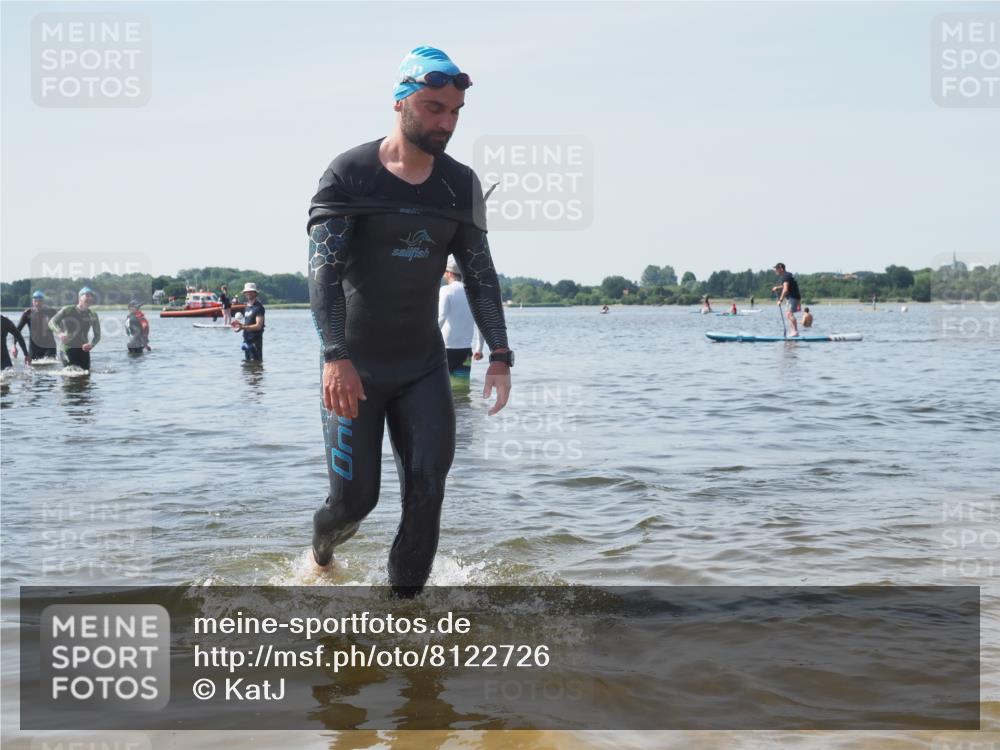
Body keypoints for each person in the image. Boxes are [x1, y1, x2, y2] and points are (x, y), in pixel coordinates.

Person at [307, 45, 513, 595]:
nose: (445, 122)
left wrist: (500, 354)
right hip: (355, 366)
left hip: (422, 366)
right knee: (356, 502)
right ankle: (321, 552)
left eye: (454, 112)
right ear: (400, 102)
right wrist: (335, 357)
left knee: (427, 492)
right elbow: (323, 276)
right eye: (432, 107)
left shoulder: (460, 185)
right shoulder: (349, 175)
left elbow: (481, 273)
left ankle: (404, 618)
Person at [438, 255, 484, 379]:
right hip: (465, 351)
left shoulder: (446, 290)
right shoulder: (473, 292)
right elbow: (481, 323)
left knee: (440, 389)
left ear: (448, 273)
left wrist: (427, 342)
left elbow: (441, 318)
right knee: (461, 389)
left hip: (445, 350)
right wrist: (479, 348)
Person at [49, 287, 101, 369]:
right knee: (69, 375)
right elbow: (52, 322)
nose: (90, 298)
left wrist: (91, 344)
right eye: (87, 295)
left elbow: (97, 335)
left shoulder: (93, 314)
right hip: (67, 349)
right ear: (80, 297)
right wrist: (59, 333)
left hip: (84, 351)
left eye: (91, 296)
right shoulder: (68, 310)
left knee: (85, 377)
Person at [17, 291, 58, 359]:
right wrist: (14, 346)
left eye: (40, 301)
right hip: (34, 348)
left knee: (50, 366)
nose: (37, 303)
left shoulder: (51, 311)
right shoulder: (27, 313)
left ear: (43, 301)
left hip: (49, 347)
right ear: (32, 302)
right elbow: (17, 331)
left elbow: (63, 323)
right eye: (35, 301)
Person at [231, 282, 264, 361]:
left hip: (255, 342)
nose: (248, 293)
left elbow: (258, 326)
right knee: (247, 367)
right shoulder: (247, 307)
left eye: (250, 291)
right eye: (247, 291)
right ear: (244, 293)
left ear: (255, 293)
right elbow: (247, 324)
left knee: (255, 367)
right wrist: (239, 327)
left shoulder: (259, 307)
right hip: (246, 341)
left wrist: (242, 327)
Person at [771, 262, 801, 338]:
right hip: (793, 297)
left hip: (793, 297)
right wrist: (777, 288)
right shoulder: (786, 275)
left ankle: (795, 331)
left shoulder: (785, 276)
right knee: (788, 314)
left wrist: (780, 300)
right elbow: (785, 285)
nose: (776, 271)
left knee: (789, 314)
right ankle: (793, 332)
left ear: (781, 268)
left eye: (777, 269)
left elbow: (786, 289)